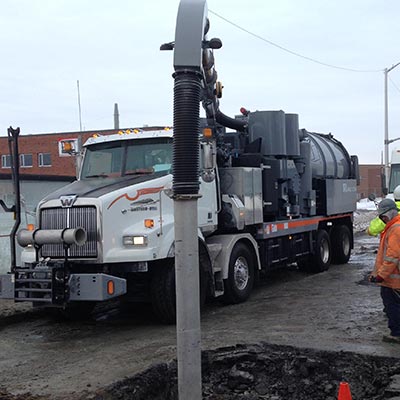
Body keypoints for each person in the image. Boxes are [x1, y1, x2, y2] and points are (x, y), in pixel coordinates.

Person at [369, 198, 400, 343]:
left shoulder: (395, 230)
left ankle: (397, 333)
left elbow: (392, 257)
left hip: (393, 280)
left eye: (383, 216)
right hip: (392, 278)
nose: (382, 219)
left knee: (392, 306)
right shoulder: (394, 227)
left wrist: (381, 275)